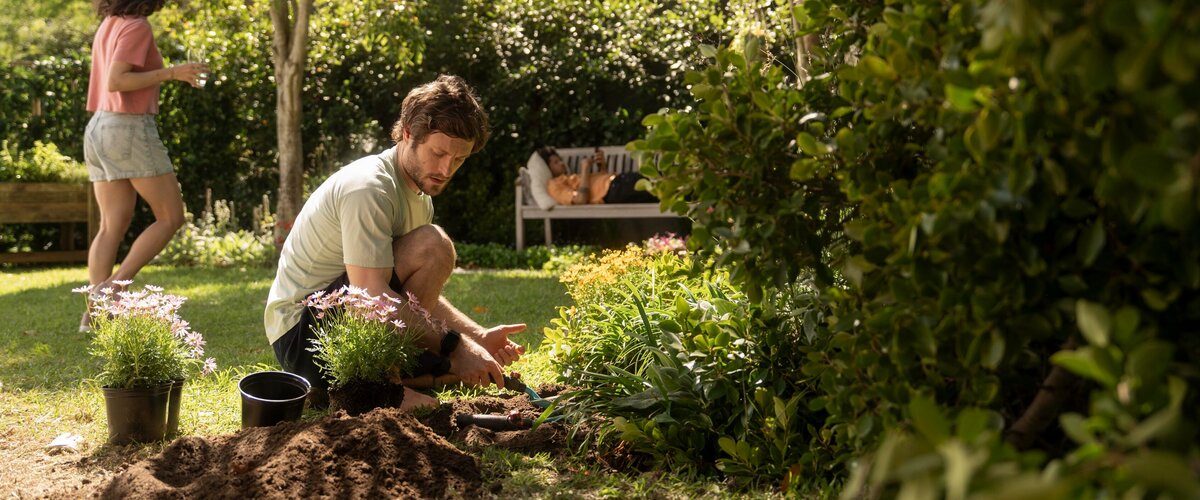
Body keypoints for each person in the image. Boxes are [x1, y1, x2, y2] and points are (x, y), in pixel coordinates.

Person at [264, 75, 525, 410]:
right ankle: (376, 390)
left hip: (344, 322)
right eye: (438, 153)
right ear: (407, 134)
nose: (446, 169)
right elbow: (372, 293)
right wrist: (456, 345)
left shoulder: (419, 195)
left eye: (458, 159)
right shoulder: (369, 188)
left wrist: (477, 337)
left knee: (461, 371)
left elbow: (408, 293)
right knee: (435, 246)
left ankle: (342, 388)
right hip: (303, 336)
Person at [81, 0, 209, 332]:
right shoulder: (136, 25)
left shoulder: (109, 23)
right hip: (127, 128)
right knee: (171, 217)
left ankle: (95, 315)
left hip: (98, 127)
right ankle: (110, 290)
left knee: (111, 224)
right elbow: (117, 80)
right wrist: (172, 73)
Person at [536, 146, 656, 205]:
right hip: (613, 191)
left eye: (560, 160)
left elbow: (598, 185)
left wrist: (602, 167)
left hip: (617, 183)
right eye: (556, 162)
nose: (561, 163)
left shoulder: (570, 177)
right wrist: (585, 169)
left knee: (654, 186)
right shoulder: (554, 185)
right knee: (654, 185)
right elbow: (580, 200)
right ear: (547, 168)